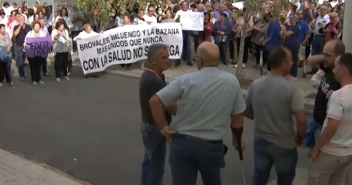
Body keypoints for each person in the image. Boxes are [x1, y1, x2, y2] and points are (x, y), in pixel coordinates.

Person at [149, 42, 245, 185]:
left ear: (199, 61)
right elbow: (237, 118)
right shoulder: (232, 82)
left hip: (183, 144)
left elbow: (155, 101)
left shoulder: (186, 80)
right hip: (211, 146)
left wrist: (164, 128)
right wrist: (237, 139)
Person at [244, 47, 307, 185]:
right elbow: (301, 119)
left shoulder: (255, 84)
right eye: (291, 60)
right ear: (283, 64)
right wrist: (300, 136)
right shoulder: (291, 89)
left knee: (259, 177)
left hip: (261, 140)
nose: (292, 63)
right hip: (284, 144)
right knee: (285, 180)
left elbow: (247, 112)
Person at [308, 53, 352, 185]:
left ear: (343, 69)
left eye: (336, 67)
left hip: (331, 152)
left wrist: (317, 148)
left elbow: (332, 126)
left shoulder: (338, 96)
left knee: (316, 180)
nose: (333, 70)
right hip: (347, 152)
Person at [139, 44, 176, 185]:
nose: (168, 60)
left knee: (149, 163)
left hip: (149, 128)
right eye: (164, 57)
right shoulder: (153, 80)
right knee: (156, 168)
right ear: (153, 61)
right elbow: (171, 107)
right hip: (154, 129)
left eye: (168, 56)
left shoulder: (154, 75)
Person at [13, 15, 31, 81]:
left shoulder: (28, 26)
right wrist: (20, 26)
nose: (21, 20)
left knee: (28, 60)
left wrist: (24, 28)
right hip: (19, 45)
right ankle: (22, 74)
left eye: (22, 19)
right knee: (20, 61)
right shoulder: (16, 27)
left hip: (28, 45)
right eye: (20, 19)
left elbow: (29, 34)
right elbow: (15, 34)